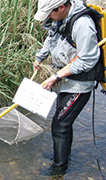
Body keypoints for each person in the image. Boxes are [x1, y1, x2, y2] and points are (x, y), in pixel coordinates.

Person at [33, 0, 100, 171]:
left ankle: (59, 168)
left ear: (61, 7)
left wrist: (56, 76)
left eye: (50, 13)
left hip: (79, 83)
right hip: (65, 80)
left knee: (61, 123)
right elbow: (52, 36)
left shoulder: (83, 24)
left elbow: (88, 59)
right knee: (61, 121)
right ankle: (61, 156)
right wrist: (40, 57)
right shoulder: (60, 17)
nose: (49, 17)